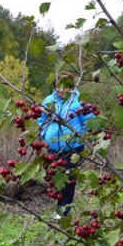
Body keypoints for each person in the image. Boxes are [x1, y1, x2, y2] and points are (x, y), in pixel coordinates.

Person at [38, 71, 94, 218]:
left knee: (68, 179)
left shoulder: (79, 102)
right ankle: (59, 206)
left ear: (72, 87)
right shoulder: (48, 101)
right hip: (52, 147)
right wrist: (44, 134)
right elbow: (41, 120)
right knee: (56, 178)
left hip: (73, 147)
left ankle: (62, 212)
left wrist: (95, 143)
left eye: (65, 86)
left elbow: (90, 123)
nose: (61, 89)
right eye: (58, 85)